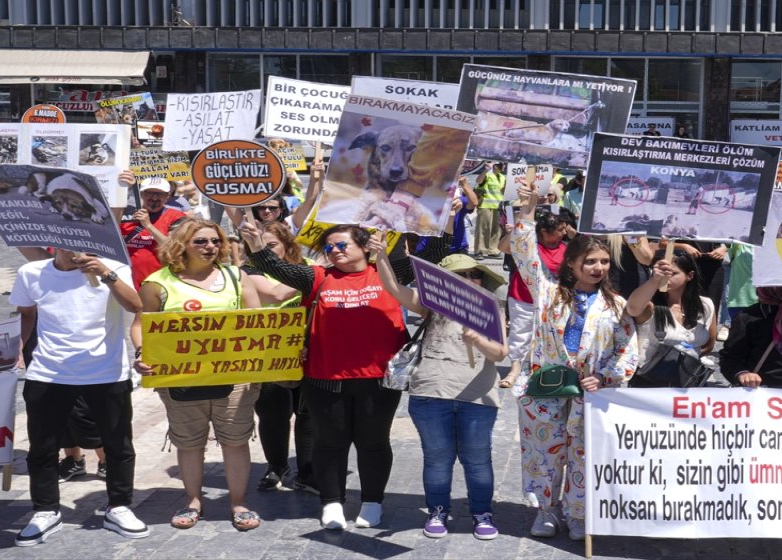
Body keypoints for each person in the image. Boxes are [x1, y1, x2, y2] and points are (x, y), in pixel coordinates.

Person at [239, 222, 407, 532]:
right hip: (325, 377)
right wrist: (254, 243)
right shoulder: (317, 276)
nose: (335, 251)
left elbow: (433, 252)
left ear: (365, 245)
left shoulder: (387, 271)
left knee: (373, 442)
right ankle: (331, 502)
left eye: (342, 245)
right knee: (330, 442)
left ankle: (372, 501)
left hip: (379, 379)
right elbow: (272, 265)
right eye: (329, 248)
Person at [509, 180, 639, 541]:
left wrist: (608, 376)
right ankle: (546, 511)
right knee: (544, 451)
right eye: (590, 261)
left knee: (584, 453)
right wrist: (528, 209)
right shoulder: (548, 291)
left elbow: (627, 348)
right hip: (545, 389)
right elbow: (523, 252)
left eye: (603, 262)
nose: (597, 268)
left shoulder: (615, 303)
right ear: (572, 263)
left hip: (589, 391)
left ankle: (579, 513)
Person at [132, 220, 263, 532]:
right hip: (180, 378)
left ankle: (238, 502)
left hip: (234, 376)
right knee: (189, 444)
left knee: (235, 441)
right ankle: (193, 501)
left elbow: (260, 321)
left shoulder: (235, 276)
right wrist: (141, 353)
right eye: (201, 242)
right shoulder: (157, 283)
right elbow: (140, 325)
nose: (210, 247)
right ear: (182, 245)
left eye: (215, 241)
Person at [10, 250, 147, 546]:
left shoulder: (114, 267)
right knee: (42, 448)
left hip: (106, 371)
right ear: (52, 244)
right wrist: (18, 349)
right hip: (49, 371)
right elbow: (27, 313)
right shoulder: (31, 272)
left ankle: (119, 506)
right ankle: (46, 510)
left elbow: (135, 305)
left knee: (118, 444)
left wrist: (105, 274)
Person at [376, 250, 508, 540]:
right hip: (430, 392)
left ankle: (482, 514)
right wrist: (381, 254)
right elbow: (392, 288)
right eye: (459, 276)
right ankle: (438, 511)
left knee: (478, 459)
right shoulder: (431, 305)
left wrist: (479, 340)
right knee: (437, 458)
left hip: (478, 397)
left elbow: (500, 353)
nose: (468, 280)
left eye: (473, 274)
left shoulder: (492, 307)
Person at [241, 221, 316, 494]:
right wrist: (316, 279)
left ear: (287, 244)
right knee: (272, 414)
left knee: (307, 414)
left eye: (272, 245)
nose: (266, 250)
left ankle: (308, 471)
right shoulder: (248, 269)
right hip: (269, 352)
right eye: (260, 245)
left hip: (307, 349)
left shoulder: (307, 264)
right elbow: (272, 293)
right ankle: (277, 465)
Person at [498, 212, 572, 388]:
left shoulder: (568, 249)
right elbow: (503, 247)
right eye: (560, 229)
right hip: (523, 296)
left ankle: (546, 366)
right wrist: (515, 230)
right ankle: (515, 369)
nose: (564, 233)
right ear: (545, 231)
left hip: (553, 301)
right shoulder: (527, 244)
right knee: (520, 332)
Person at [625, 252, 717, 364]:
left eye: (672, 273)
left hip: (687, 377)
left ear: (690, 275)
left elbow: (709, 344)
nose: (665, 277)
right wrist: (654, 280)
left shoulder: (705, 305)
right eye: (662, 273)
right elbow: (632, 308)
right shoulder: (650, 305)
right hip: (650, 377)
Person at [119, 176, 186, 289]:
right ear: (142, 194)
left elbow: (172, 247)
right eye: (149, 193)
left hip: (159, 282)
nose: (154, 197)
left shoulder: (176, 216)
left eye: (159, 194)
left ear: (167, 196)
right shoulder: (126, 216)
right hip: (127, 282)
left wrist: (148, 225)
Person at [474, 163, 506, 258]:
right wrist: (486, 170)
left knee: (496, 229)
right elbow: (479, 181)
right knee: (483, 228)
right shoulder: (487, 175)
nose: (503, 166)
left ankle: (493, 250)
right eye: (501, 165)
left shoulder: (502, 177)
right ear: (495, 166)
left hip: (497, 205)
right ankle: (479, 250)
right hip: (485, 204)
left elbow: (502, 191)